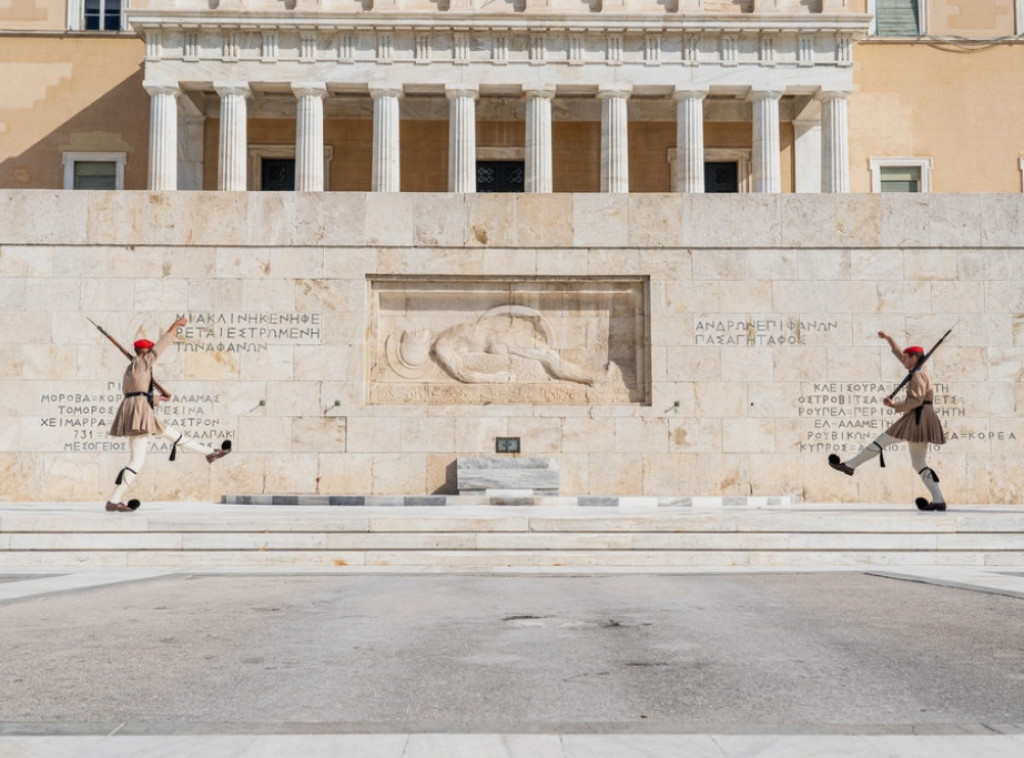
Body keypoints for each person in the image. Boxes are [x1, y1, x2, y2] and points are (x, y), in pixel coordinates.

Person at [105, 316, 230, 512]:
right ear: (144, 351)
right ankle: (113, 500)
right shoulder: (144, 362)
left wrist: (157, 399)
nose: (151, 354)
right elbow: (161, 346)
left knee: (168, 438)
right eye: (149, 351)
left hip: (137, 410)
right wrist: (175, 325)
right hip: (139, 414)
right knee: (141, 459)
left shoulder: (133, 368)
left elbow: (134, 393)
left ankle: (210, 453)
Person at [828, 330, 948, 511]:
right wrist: (890, 341)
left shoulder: (917, 375)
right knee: (919, 463)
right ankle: (938, 500)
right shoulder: (919, 370)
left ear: (914, 358)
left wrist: (893, 405)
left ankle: (850, 465)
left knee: (882, 440)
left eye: (907, 358)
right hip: (923, 417)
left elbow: (916, 400)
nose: (904, 361)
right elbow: (902, 357)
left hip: (917, 417)